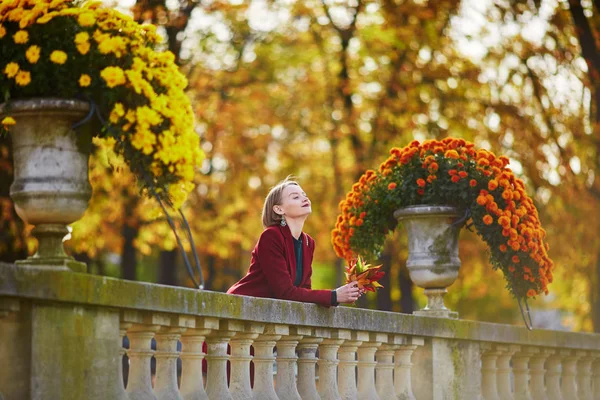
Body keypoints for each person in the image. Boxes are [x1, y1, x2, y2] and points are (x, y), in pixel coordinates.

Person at [227, 177, 362, 306]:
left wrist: (346, 294)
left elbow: (304, 292)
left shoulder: (308, 242)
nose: (304, 198)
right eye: (296, 197)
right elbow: (285, 292)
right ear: (279, 209)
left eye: (304, 195)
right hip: (242, 306)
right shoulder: (271, 236)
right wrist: (334, 296)